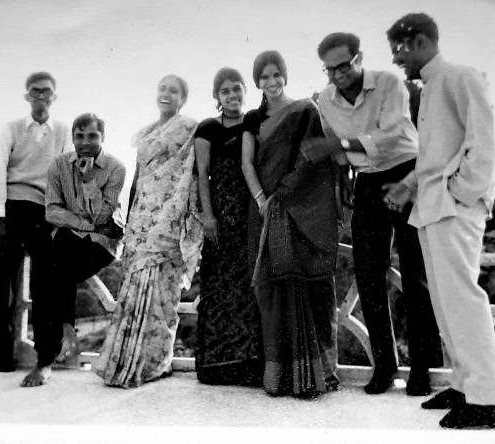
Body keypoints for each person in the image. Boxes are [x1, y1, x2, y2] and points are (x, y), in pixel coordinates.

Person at [385, 13, 495, 428]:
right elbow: (434, 155)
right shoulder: (432, 86)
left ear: (418, 41)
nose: (397, 61)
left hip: (455, 206)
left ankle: (491, 399)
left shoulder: (460, 76)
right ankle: (464, 385)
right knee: (444, 300)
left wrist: (461, 192)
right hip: (434, 207)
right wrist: (409, 184)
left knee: (462, 299)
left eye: (399, 52)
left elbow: (483, 142)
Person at [315, 32, 442, 396]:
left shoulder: (388, 83)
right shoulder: (325, 99)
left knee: (415, 274)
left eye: (344, 65)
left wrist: (338, 144)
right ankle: (384, 366)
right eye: (330, 69)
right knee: (368, 272)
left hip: (406, 174)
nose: (338, 74)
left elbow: (393, 133)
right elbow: (335, 152)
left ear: (359, 58)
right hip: (368, 184)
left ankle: (421, 368)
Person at [95, 75, 203, 388]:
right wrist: (130, 222)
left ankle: (155, 363)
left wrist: (173, 217)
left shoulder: (187, 128)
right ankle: (123, 362)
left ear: (183, 98)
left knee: (162, 294)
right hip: (141, 219)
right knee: (133, 290)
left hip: (169, 219)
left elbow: (190, 175)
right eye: (162, 89)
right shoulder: (145, 134)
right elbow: (139, 180)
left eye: (174, 91)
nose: (166, 94)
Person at [242, 51, 339, 398]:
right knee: (272, 290)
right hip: (266, 211)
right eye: (264, 77)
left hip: (300, 209)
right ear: (257, 82)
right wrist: (263, 201)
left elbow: (313, 157)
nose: (271, 82)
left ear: (285, 75)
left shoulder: (303, 111)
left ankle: (314, 377)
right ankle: (280, 378)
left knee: (309, 289)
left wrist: (284, 194)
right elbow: (248, 164)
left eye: (275, 75)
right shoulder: (253, 118)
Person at [19, 113, 126, 387]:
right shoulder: (58, 166)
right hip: (69, 238)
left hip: (104, 243)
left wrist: (89, 178)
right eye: (79, 136)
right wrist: (84, 224)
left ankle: (58, 340)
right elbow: (52, 212)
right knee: (47, 268)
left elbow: (104, 218)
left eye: (92, 136)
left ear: (103, 137)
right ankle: (53, 348)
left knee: (53, 268)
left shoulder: (115, 168)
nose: (85, 142)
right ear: (73, 138)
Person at [0, 72, 71, 375]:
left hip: (43, 212)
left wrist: (60, 216)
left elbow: (63, 174)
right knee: (4, 287)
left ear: (54, 97)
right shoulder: (11, 129)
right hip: (11, 208)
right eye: (35, 91)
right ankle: (1, 356)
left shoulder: (62, 131)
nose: (41, 96)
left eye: (46, 91)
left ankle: (44, 356)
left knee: (44, 285)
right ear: (27, 96)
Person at [194, 67, 263, 386]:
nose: (232, 96)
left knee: (247, 288)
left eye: (237, 89)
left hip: (248, 215)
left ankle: (247, 366)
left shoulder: (253, 122)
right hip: (220, 216)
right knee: (218, 290)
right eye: (225, 91)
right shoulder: (208, 127)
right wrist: (208, 216)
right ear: (216, 98)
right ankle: (214, 367)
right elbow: (202, 174)